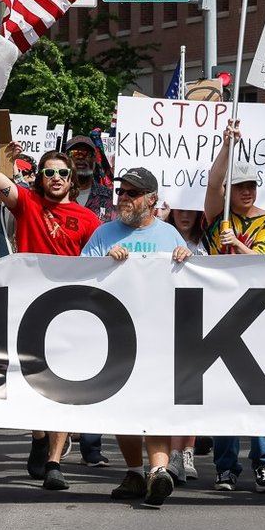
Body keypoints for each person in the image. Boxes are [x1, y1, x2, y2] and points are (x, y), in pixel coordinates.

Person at [0, 102, 100, 491]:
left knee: (62, 386)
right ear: (40, 177)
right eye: (49, 172)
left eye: (64, 172)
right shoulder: (26, 203)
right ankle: (39, 437)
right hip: (28, 306)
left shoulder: (90, 220)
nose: (57, 177)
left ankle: (56, 462)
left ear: (73, 179)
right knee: (33, 381)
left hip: (69, 311)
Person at [82, 167, 191, 508]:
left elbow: (191, 283)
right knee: (125, 408)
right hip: (116, 336)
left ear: (152, 200)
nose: (124, 199)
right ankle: (134, 471)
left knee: (153, 405)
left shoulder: (170, 235)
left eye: (132, 193)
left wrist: (186, 259)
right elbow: (80, 278)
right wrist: (104, 263)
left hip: (158, 336)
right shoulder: (103, 235)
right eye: (122, 192)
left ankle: (157, 472)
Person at [204, 120, 265, 494]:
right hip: (219, 314)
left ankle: (264, 463)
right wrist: (226, 146)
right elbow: (211, 185)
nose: (247, 191)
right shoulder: (217, 217)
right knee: (224, 394)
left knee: (261, 393)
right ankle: (225, 467)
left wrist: (238, 243)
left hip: (258, 314)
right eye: (240, 186)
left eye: (251, 185)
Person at [65, 134, 117, 221]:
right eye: (75, 153)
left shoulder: (109, 197)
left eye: (86, 154)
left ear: (95, 159)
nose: (81, 157)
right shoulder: (57, 195)